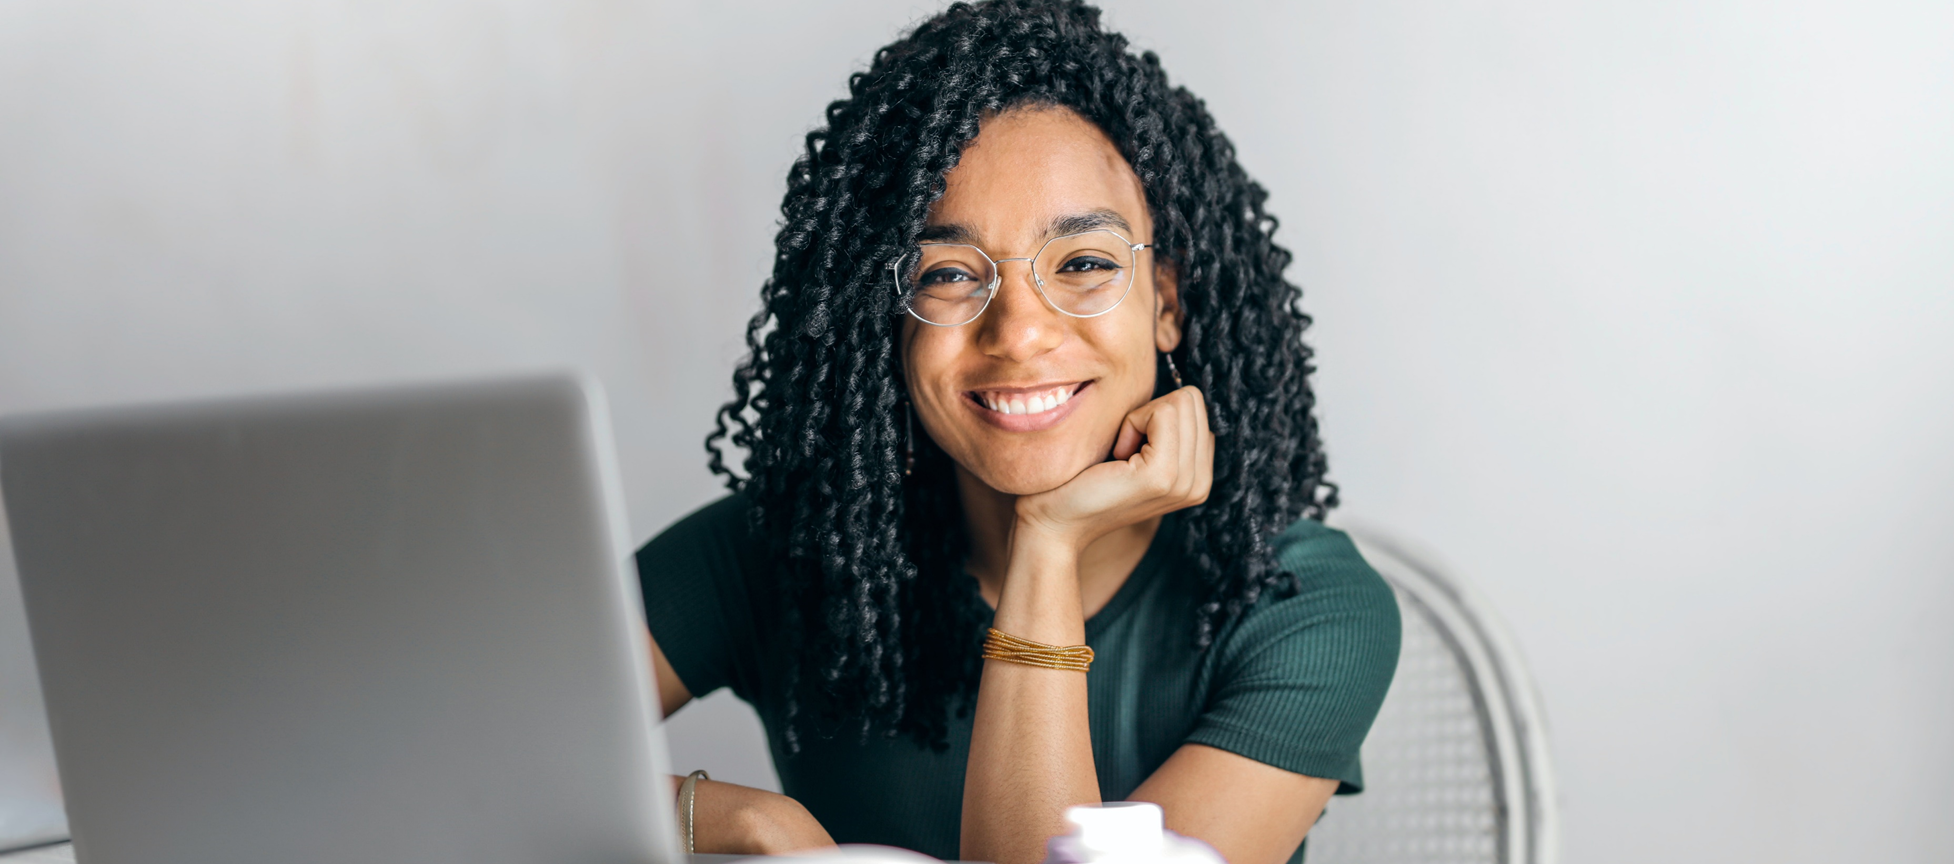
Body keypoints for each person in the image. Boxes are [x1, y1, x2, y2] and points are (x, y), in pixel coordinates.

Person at [634, 3, 1400, 863]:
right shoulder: (781, 550)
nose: (1020, 332)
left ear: (1168, 305)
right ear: (885, 321)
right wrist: (736, 820)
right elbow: (469, 744)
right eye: (951, 273)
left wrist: (1048, 542)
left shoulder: (1301, 605)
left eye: (1082, 263)